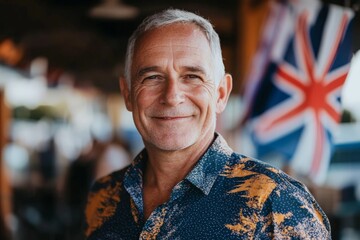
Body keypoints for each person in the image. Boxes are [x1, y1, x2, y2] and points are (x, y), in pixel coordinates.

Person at [84, 9, 331, 239]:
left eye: (192, 76)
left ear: (221, 93)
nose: (171, 96)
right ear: (127, 95)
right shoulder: (104, 195)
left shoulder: (277, 203)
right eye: (152, 77)